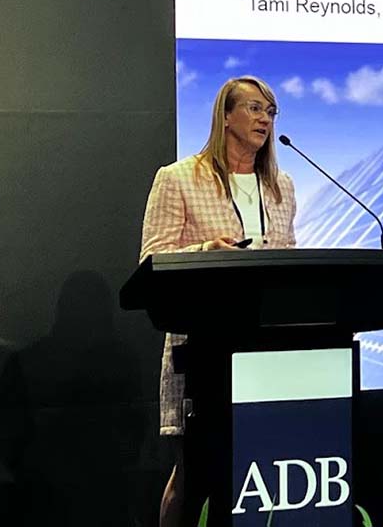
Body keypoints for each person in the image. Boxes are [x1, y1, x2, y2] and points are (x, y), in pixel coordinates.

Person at [139, 76, 297, 527]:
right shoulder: (179, 179)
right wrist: (206, 251)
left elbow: (289, 257)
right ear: (225, 117)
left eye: (271, 111)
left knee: (265, 470)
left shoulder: (282, 186)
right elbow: (152, 259)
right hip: (204, 349)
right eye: (254, 108)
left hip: (269, 348)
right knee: (194, 475)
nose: (264, 119)